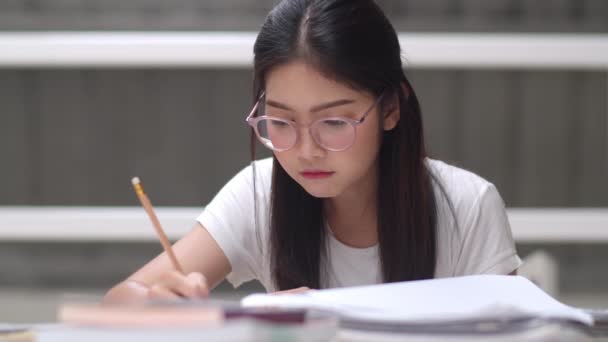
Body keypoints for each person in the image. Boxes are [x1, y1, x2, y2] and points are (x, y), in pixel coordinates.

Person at [104, 0, 522, 303]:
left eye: (334, 123)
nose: (305, 151)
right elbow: (115, 306)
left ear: (391, 108)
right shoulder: (259, 194)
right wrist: (153, 301)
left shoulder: (466, 207)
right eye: (282, 123)